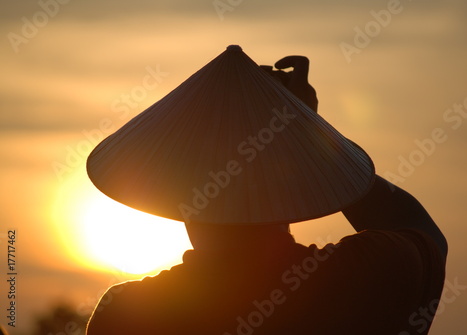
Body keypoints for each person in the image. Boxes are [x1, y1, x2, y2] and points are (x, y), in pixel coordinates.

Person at [86, 54, 447, 335]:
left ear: (178, 190)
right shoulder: (357, 277)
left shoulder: (126, 314)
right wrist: (307, 131)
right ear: (286, 180)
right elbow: (420, 233)